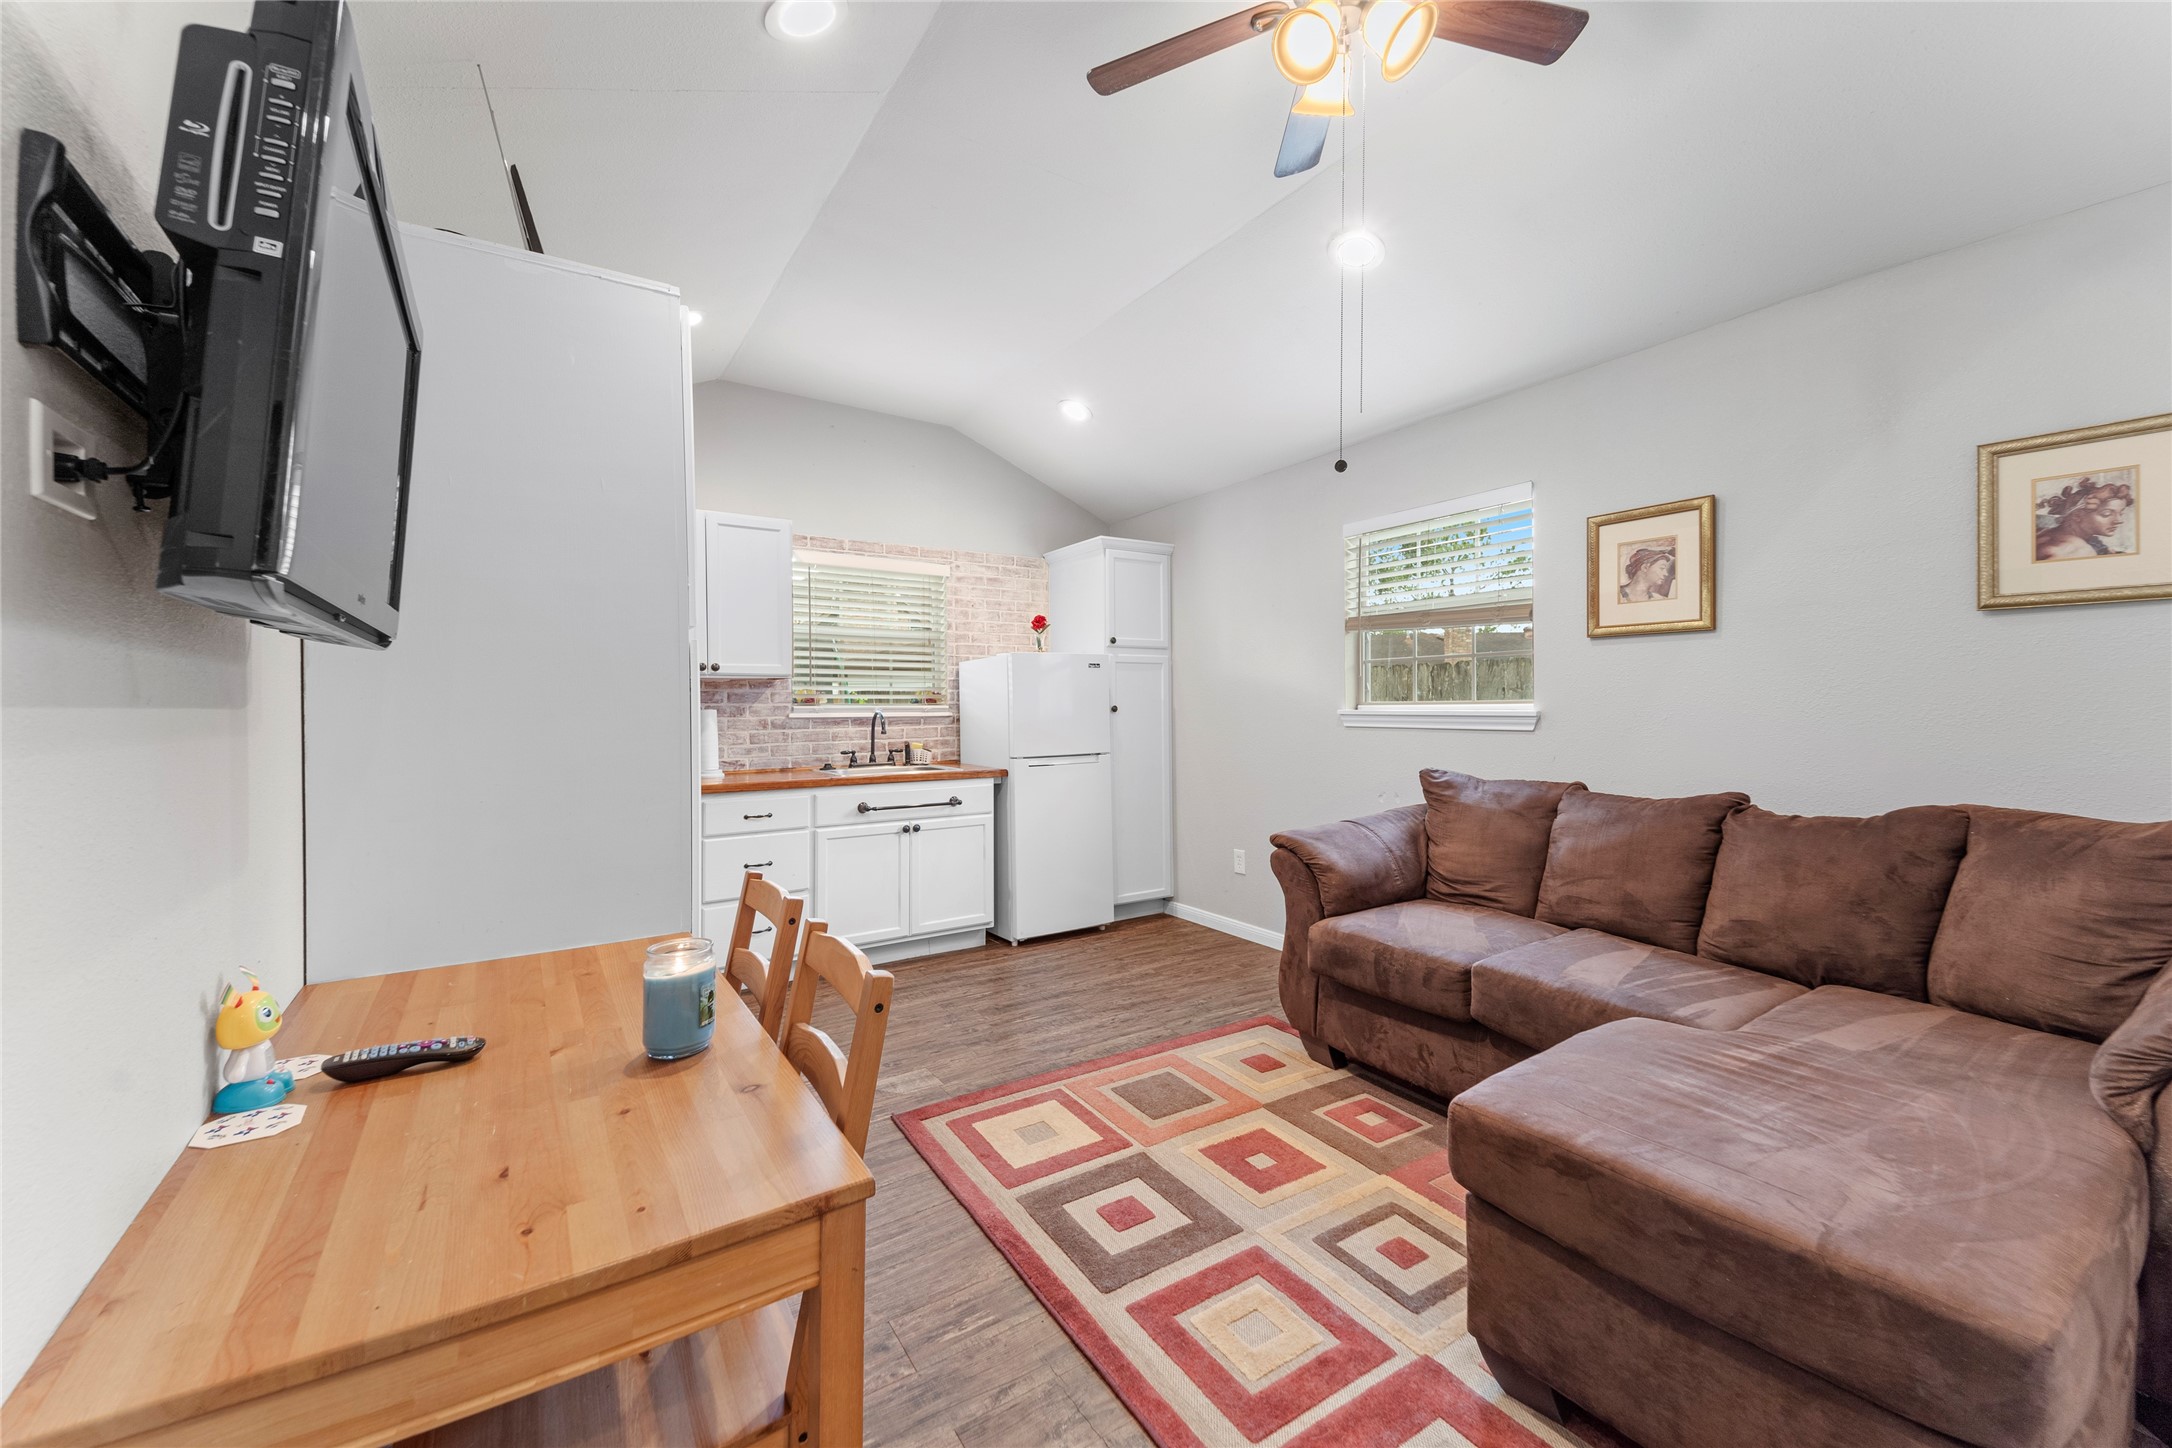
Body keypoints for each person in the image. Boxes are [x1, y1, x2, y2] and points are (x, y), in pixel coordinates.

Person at [2036, 475, 2135, 560]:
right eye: (2106, 514)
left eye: (2121, 514)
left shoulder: (2044, 532)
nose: (2119, 521)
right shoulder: (2080, 551)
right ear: (2077, 516)